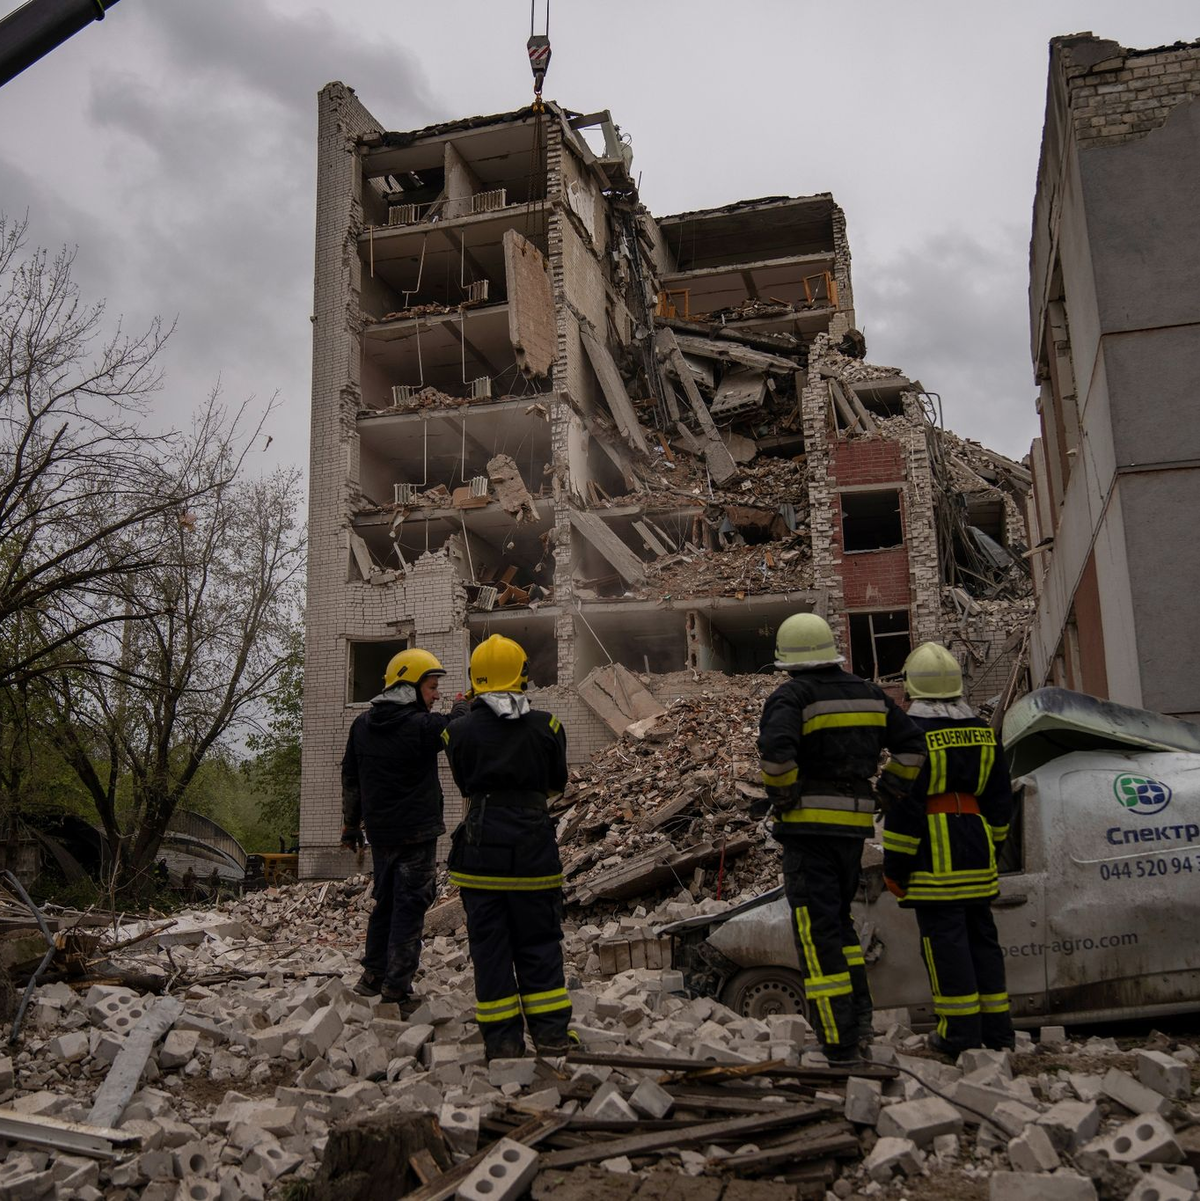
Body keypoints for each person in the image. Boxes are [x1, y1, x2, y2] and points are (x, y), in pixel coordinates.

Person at [757, 613, 926, 1066]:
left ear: (790, 662)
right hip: (853, 830)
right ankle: (860, 1023)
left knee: (817, 934)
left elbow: (776, 756)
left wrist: (784, 797)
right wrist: (886, 792)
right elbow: (913, 747)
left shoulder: (792, 696)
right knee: (842, 927)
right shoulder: (870, 694)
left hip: (809, 833)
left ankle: (837, 1041)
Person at [881, 641, 1016, 1058]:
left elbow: (904, 807)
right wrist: (991, 848)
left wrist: (896, 868)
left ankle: (958, 1037)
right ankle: (998, 1034)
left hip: (933, 860)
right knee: (983, 944)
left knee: (947, 948)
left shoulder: (913, 735)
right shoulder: (983, 732)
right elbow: (1000, 802)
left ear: (911, 687)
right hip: (977, 851)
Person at [443, 634, 571, 1060]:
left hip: (481, 858)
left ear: (474, 679)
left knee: (490, 951)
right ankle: (552, 1037)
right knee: (540, 945)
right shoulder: (549, 727)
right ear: (522, 675)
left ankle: (502, 1043)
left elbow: (466, 785)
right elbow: (555, 785)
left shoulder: (457, 732)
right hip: (534, 854)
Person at [341, 647, 455, 1013]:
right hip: (417, 835)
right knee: (410, 906)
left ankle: (372, 976)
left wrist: (350, 825)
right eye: (431, 687)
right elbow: (455, 728)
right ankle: (397, 990)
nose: (436, 694)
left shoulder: (361, 725)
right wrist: (464, 707)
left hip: (381, 834)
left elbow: (351, 778)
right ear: (410, 687)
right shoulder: (423, 726)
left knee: (386, 902)